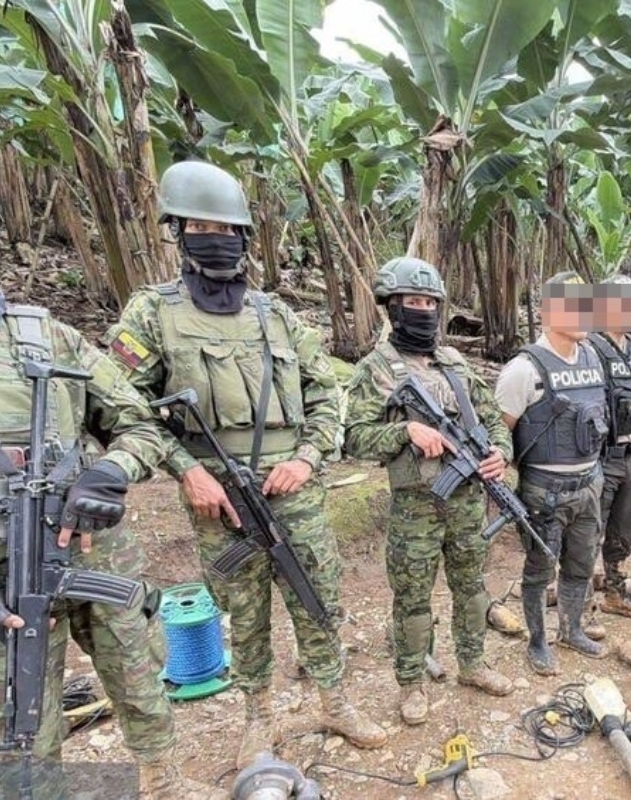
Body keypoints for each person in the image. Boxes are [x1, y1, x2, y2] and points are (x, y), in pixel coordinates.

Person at [0, 157, 213, 796]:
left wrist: (111, 472)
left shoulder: (49, 338)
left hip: (94, 553)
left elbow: (140, 422)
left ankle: (163, 779)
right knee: (22, 726)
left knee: (140, 680)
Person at [105, 160, 385, 766]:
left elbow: (326, 395)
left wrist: (307, 458)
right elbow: (122, 407)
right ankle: (257, 716)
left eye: (227, 229)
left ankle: (335, 701)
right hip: (219, 492)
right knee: (244, 608)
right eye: (201, 228)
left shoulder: (275, 314)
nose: (217, 239)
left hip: (294, 488)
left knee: (316, 596)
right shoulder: (152, 313)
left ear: (244, 237)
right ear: (178, 233)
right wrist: (187, 470)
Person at [343, 257, 514, 725]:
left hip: (467, 504)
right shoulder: (375, 369)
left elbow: (493, 419)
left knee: (472, 589)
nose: (423, 310)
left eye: (430, 303)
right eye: (413, 302)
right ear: (393, 307)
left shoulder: (455, 363)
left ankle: (473, 664)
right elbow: (353, 438)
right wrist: (405, 432)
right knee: (413, 600)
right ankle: (412, 682)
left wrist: (500, 452)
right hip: (415, 509)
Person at [495, 271, 607, 676]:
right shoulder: (523, 369)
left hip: (588, 485)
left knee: (581, 563)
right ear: (547, 312)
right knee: (540, 568)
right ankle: (538, 641)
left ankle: (572, 630)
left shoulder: (592, 358)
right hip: (545, 491)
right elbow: (500, 435)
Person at [584, 275, 631, 619]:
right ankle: (580, 601)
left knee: (624, 524)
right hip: (601, 454)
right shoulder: (590, 347)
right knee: (589, 528)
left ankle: (614, 588)